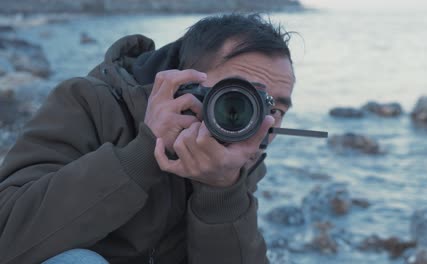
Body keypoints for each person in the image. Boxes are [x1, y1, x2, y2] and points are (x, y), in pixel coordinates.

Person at [0, 13, 294, 264]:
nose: (259, 122)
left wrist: (221, 191)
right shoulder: (89, 102)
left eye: (276, 108)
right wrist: (144, 152)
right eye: (238, 98)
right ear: (184, 85)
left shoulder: (244, 151)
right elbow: (7, 235)